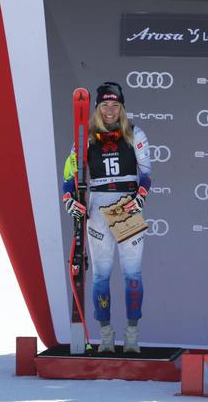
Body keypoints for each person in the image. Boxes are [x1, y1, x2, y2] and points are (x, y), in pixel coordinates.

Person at [61, 81, 152, 353]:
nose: (110, 111)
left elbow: (146, 173)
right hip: (99, 207)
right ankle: (107, 337)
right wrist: (70, 199)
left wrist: (140, 197)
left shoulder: (134, 134)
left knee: (132, 275)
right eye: (104, 105)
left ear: (122, 107)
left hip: (126, 206)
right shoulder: (86, 137)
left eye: (115, 105)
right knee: (101, 275)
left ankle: (132, 337)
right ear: (97, 108)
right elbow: (69, 176)